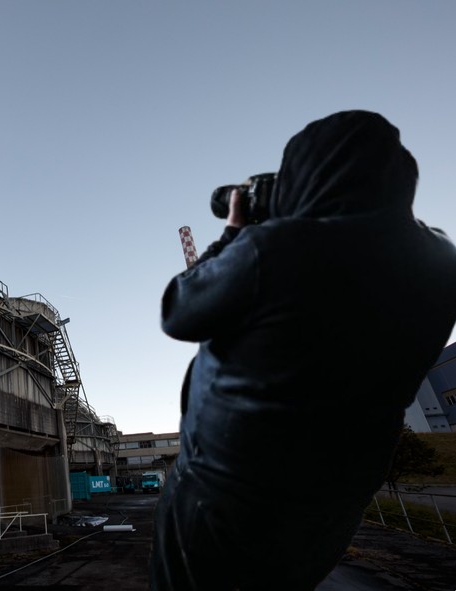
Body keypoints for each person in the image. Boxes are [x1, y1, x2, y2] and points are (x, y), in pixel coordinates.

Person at [150, 110, 456, 590]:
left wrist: (235, 230)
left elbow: (179, 308)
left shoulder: (272, 249)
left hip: (222, 502)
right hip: (325, 513)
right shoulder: (441, 264)